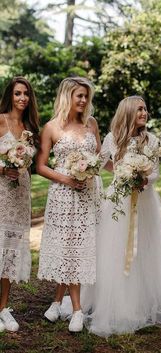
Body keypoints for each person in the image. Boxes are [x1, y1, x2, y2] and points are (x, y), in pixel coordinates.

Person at [85, 95, 161, 337]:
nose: (144, 113)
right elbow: (100, 164)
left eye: (145, 109)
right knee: (115, 249)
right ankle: (117, 302)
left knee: (146, 248)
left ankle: (144, 300)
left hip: (145, 202)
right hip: (118, 203)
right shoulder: (112, 138)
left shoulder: (152, 140)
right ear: (128, 112)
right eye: (139, 109)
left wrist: (143, 179)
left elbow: (157, 173)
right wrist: (119, 172)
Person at [37, 77, 102, 333]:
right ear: (68, 97)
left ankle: (60, 303)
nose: (84, 101)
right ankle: (75, 310)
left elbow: (97, 156)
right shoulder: (52, 127)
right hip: (63, 195)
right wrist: (67, 177)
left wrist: (90, 170)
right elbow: (40, 165)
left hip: (88, 193)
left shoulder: (91, 123)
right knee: (67, 247)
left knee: (78, 246)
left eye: (86, 96)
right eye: (79, 96)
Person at [0, 76, 39, 331]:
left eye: (25, 93)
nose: (22, 98)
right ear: (10, 96)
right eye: (17, 93)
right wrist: (3, 170)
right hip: (1, 191)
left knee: (11, 251)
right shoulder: (0, 120)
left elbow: (30, 163)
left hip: (20, 192)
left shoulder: (29, 126)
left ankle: (3, 308)